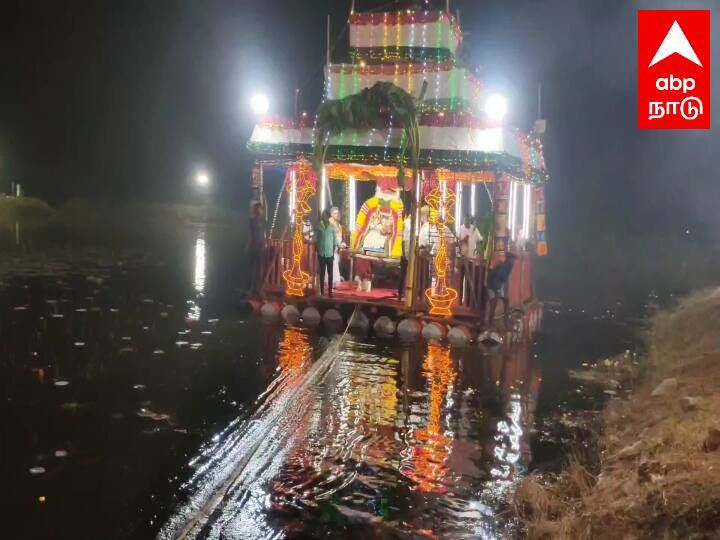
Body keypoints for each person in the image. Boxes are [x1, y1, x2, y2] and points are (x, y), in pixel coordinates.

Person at [486, 252, 517, 328]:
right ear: (508, 259)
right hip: (491, 285)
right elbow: (494, 280)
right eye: (512, 260)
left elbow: (502, 280)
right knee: (494, 301)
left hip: (498, 286)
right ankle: (490, 322)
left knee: (506, 301)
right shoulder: (503, 267)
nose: (513, 262)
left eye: (514, 260)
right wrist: (496, 291)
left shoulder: (509, 267)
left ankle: (506, 321)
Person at [315, 209, 337, 297]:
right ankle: (322, 292)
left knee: (330, 273)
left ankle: (330, 292)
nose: (323, 216)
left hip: (329, 253)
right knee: (322, 273)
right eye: (323, 215)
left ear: (327, 217)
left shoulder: (332, 227)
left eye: (324, 215)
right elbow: (316, 238)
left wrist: (333, 250)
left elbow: (334, 240)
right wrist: (317, 249)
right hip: (321, 253)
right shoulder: (319, 226)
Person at [248, 202, 266, 296]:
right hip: (254, 246)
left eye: (261, 209)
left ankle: (258, 288)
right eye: (259, 209)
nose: (261, 211)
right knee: (253, 268)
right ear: (256, 210)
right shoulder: (252, 220)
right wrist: (248, 245)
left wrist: (264, 243)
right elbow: (252, 234)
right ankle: (252, 288)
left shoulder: (262, 220)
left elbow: (263, 234)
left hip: (260, 246)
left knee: (259, 268)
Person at [328, 206, 345, 286]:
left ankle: (334, 282)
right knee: (333, 263)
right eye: (335, 213)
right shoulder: (329, 223)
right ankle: (331, 282)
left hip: (336, 248)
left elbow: (340, 237)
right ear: (331, 214)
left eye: (337, 213)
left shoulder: (339, 225)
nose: (337, 215)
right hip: (330, 248)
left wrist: (342, 244)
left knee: (335, 263)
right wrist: (338, 244)